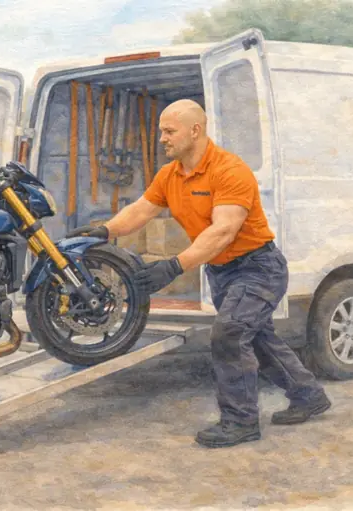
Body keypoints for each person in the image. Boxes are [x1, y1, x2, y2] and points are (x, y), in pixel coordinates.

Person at [67, 99, 331, 448]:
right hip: (221, 272)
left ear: (195, 130)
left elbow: (223, 231)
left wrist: (173, 266)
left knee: (230, 334)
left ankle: (240, 422)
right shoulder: (170, 174)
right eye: (161, 131)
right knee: (256, 337)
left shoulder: (229, 170)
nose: (162, 138)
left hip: (258, 268)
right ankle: (308, 395)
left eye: (168, 131)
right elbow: (141, 210)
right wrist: (105, 230)